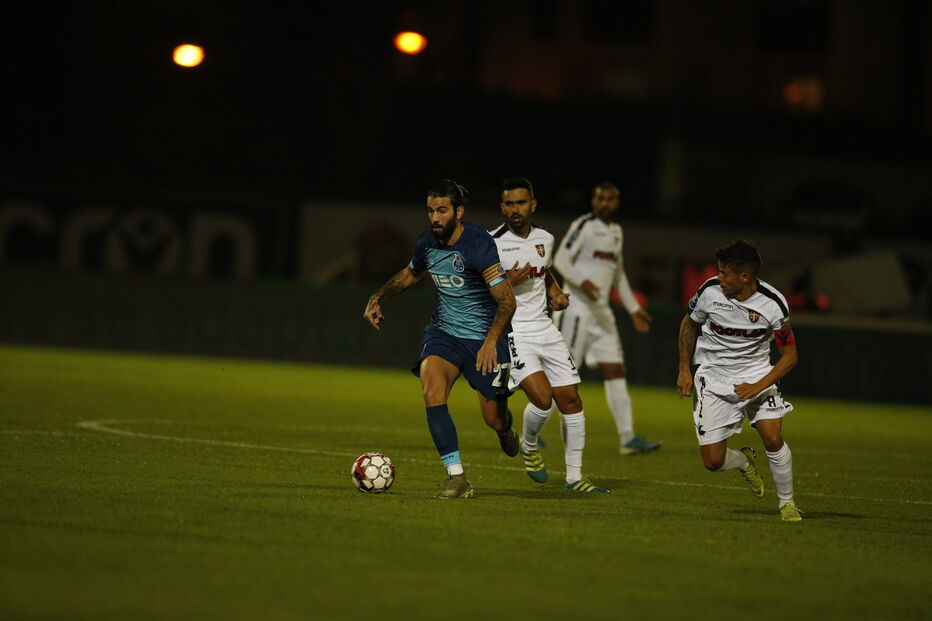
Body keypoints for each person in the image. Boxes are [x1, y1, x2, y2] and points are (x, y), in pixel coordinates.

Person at [363, 179, 519, 499]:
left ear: (458, 212)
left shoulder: (478, 244)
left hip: (483, 340)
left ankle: (505, 428)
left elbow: (507, 301)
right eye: (431, 210)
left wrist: (490, 342)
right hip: (444, 333)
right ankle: (457, 477)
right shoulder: (427, 242)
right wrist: (378, 296)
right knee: (431, 388)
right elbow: (410, 274)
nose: (435, 218)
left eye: (442, 211)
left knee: (493, 418)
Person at [491, 178, 609, 493]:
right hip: (514, 330)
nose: (515, 209)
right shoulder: (492, 242)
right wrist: (507, 281)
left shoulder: (545, 238)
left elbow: (544, 273)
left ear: (533, 204)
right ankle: (529, 445)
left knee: (571, 399)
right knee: (543, 400)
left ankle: (574, 478)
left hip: (545, 328)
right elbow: (479, 289)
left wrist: (555, 293)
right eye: (509, 204)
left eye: (520, 203)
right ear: (502, 207)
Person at [676, 239, 802, 522]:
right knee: (713, 461)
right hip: (714, 377)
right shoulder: (709, 291)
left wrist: (757, 386)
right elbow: (689, 323)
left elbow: (790, 356)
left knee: (773, 437)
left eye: (724, 273)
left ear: (745, 276)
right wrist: (684, 369)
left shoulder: (772, 304)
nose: (718, 277)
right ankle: (744, 461)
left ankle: (787, 503)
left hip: (757, 376)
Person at [552, 182, 661, 455]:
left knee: (615, 370)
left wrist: (633, 308)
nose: (604, 203)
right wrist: (582, 281)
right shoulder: (584, 225)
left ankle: (627, 438)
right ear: (593, 200)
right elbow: (560, 259)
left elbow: (618, 274)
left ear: (617, 203)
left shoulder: (616, 231)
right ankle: (531, 432)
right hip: (575, 309)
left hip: (601, 312)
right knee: (563, 373)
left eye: (610, 199)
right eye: (600, 198)